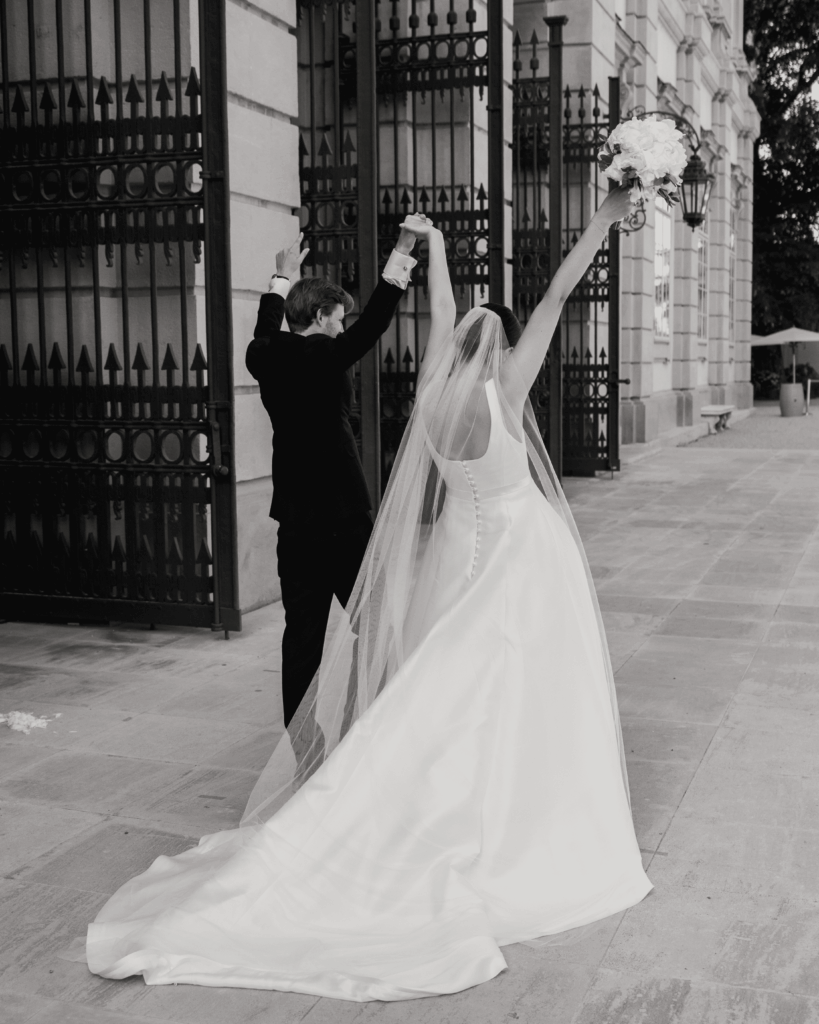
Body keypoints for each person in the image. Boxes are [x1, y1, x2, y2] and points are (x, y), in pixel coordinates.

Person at [84, 185, 651, 1001]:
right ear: (502, 350)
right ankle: (508, 802)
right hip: (519, 551)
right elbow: (557, 293)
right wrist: (602, 219)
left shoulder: (426, 392)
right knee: (517, 675)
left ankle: (354, 759)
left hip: (457, 545)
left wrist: (428, 256)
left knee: (435, 672)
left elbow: (418, 315)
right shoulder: (504, 392)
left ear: (455, 345)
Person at [245, 227, 418, 732]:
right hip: (342, 518)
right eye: (339, 319)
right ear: (321, 317)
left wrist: (281, 277)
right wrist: (400, 257)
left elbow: (266, 325)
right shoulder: (323, 355)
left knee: (301, 637)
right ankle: (371, 723)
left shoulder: (264, 354)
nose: (345, 329)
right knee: (377, 621)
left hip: (295, 523)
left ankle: (305, 748)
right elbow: (373, 327)